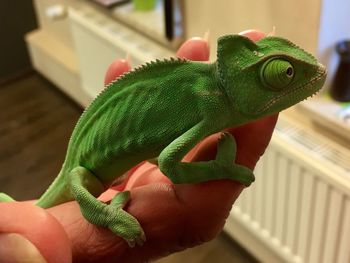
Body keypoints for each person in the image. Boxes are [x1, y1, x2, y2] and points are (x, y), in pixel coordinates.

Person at [0, 30, 277, 263]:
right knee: (71, 188)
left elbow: (164, 155)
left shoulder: (209, 95)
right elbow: (170, 166)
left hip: (102, 165)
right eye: (280, 74)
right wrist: (218, 168)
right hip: (82, 173)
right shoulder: (211, 101)